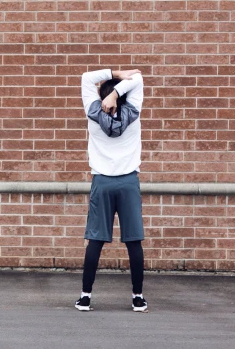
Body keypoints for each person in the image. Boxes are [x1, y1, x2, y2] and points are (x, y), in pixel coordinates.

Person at [75, 68, 148, 313]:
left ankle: (85, 297)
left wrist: (113, 74)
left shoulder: (92, 111)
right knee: (133, 241)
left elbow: (86, 77)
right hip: (128, 182)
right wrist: (117, 93)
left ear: (100, 95)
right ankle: (138, 298)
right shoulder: (133, 112)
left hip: (102, 182)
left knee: (95, 239)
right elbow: (138, 78)